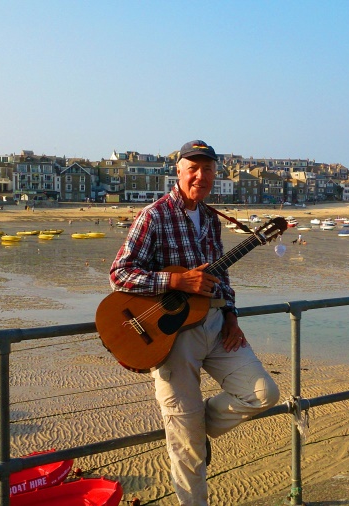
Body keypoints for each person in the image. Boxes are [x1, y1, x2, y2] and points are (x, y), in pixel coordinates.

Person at [109, 140, 280, 505]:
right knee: (187, 451)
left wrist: (233, 317)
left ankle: (197, 428)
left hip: (216, 325)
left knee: (264, 393)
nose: (200, 176)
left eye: (208, 169)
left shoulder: (213, 219)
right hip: (169, 338)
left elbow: (222, 277)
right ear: (179, 171)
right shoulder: (154, 216)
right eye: (193, 168)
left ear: (215, 174)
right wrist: (175, 281)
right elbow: (119, 274)